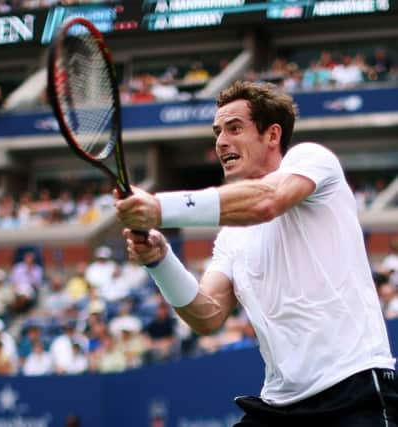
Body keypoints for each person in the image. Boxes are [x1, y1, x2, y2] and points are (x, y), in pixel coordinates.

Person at [115, 81, 397, 426]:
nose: (221, 141)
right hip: (279, 404)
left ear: (272, 135)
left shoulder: (313, 159)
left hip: (353, 391)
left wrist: (160, 207)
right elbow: (207, 315)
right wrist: (160, 261)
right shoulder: (232, 235)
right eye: (218, 131)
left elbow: (267, 201)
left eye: (235, 128)